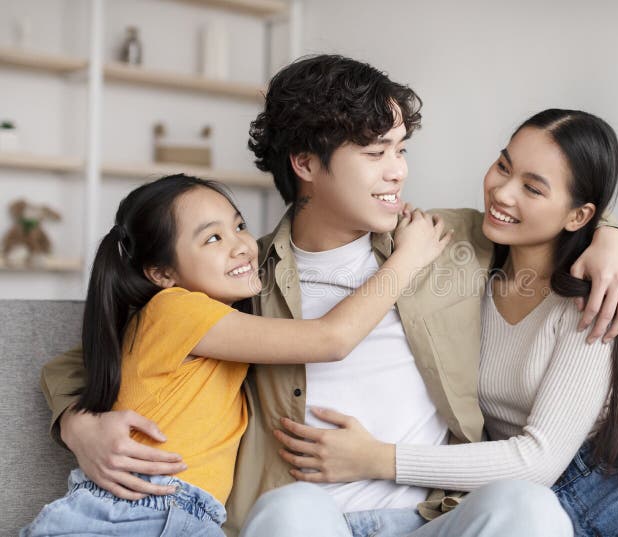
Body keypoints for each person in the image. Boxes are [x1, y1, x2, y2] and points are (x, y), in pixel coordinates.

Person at [39, 56, 618, 536]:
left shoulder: (443, 240)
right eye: (376, 154)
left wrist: (614, 238)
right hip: (311, 518)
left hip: (436, 515)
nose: (398, 172)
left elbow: (543, 219)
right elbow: (105, 346)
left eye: (400, 150)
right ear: (306, 163)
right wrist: (77, 422)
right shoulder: (240, 278)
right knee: (290, 512)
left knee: (529, 511)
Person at [272, 109, 618, 537]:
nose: (501, 192)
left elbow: (540, 459)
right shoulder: (461, 261)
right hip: (509, 493)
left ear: (578, 216)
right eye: (504, 166)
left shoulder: (590, 296)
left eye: (532, 187)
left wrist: (376, 457)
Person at [23, 173, 450, 536]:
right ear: (162, 274)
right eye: (212, 238)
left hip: (190, 516)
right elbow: (330, 339)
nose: (242, 245)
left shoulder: (221, 314)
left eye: (239, 225)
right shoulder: (176, 310)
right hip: (130, 513)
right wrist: (407, 260)